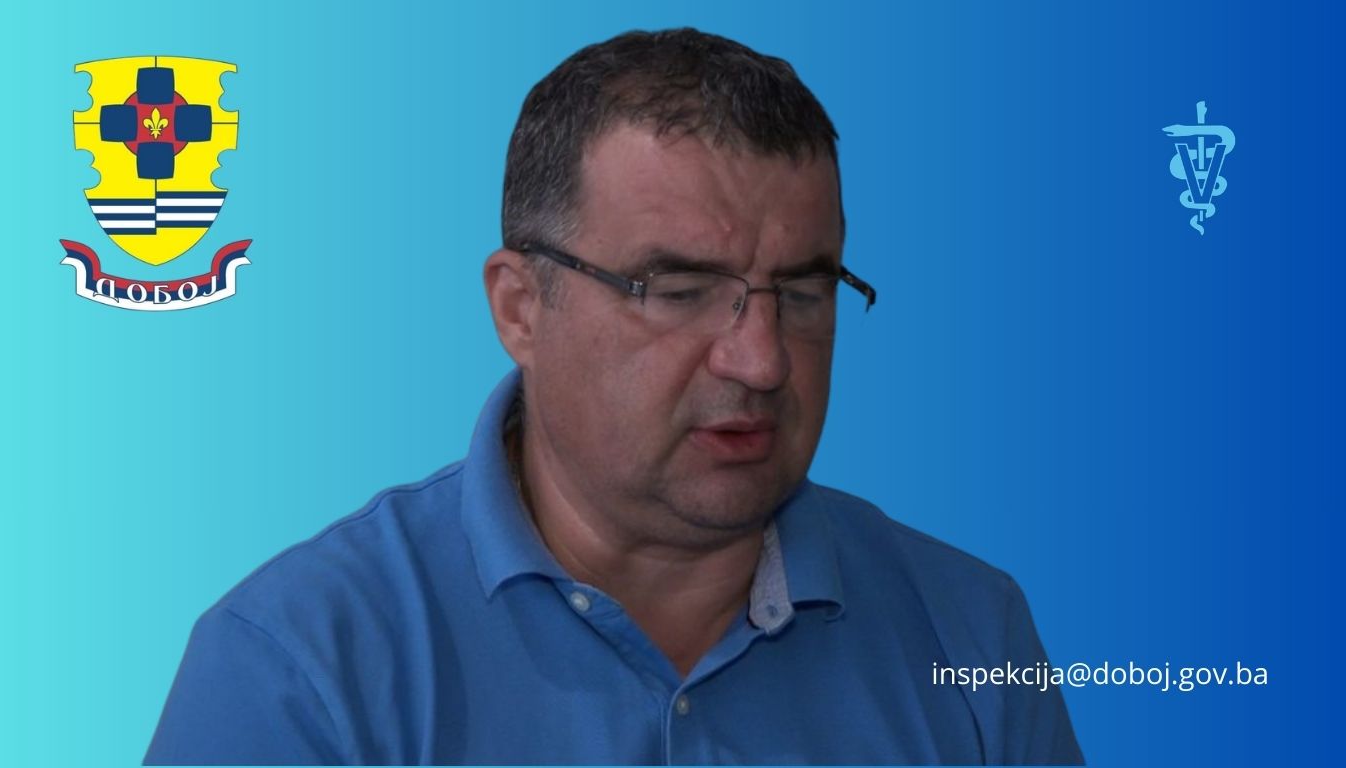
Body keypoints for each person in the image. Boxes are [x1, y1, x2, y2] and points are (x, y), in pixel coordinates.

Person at [145, 28, 1083, 765]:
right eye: (679, 290)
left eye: (803, 293)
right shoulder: (299, 668)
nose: (761, 360)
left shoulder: (972, 636)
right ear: (520, 308)